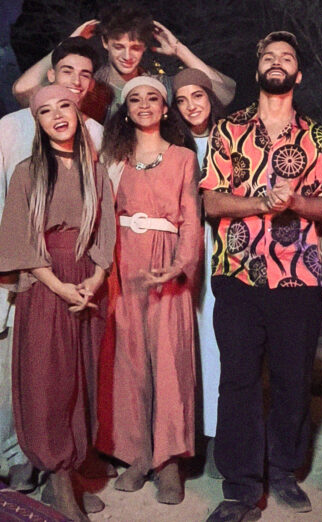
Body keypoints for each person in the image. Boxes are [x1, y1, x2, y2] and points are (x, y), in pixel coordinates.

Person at [200, 31, 322, 522]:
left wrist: (295, 202)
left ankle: (282, 472)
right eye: (269, 56)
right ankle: (240, 488)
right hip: (237, 274)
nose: (277, 62)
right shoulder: (228, 129)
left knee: (293, 381)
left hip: (298, 278)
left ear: (298, 74)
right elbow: (211, 201)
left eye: (287, 58)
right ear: (258, 69)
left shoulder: (318, 138)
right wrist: (261, 203)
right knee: (237, 380)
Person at [0, 85, 115, 521]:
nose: (58, 115)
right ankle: (57, 474)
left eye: (64, 106)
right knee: (49, 379)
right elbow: (19, 240)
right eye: (45, 111)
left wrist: (96, 278)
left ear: (78, 112)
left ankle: (72, 469)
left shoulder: (95, 171)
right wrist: (60, 287)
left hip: (87, 281)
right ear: (38, 123)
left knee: (82, 377)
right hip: (46, 282)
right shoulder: (27, 172)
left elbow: (106, 232)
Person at [97, 76, 202, 505]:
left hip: (166, 268)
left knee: (170, 362)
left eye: (152, 98)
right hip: (123, 264)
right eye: (135, 99)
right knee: (129, 361)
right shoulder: (113, 159)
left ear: (165, 108)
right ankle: (137, 454)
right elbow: (102, 216)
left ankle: (169, 461)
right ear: (125, 111)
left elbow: (191, 217)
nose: (144, 104)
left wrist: (180, 264)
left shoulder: (183, 157)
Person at [12, 3, 236, 123]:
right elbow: (22, 92)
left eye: (135, 47)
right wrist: (67, 44)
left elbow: (225, 92)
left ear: (144, 47)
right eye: (119, 46)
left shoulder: (157, 85)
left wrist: (180, 50)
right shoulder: (88, 84)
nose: (127, 55)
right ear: (105, 43)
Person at [172, 67, 227, 477]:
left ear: (211, 99)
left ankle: (217, 437)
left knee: (216, 343)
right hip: (182, 246)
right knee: (183, 341)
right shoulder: (173, 144)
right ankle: (184, 439)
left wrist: (178, 49)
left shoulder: (231, 138)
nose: (192, 106)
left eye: (199, 96)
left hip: (222, 245)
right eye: (182, 99)